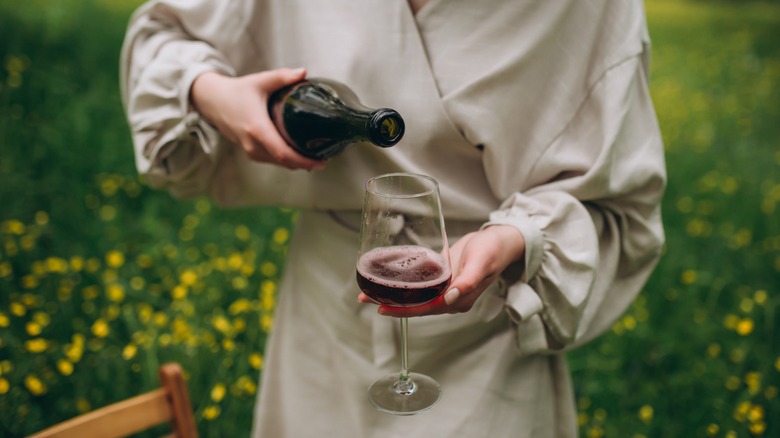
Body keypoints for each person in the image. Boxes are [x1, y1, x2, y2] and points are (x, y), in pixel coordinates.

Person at [120, 1, 666, 436]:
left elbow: (620, 205)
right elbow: (160, 35)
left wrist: (515, 238)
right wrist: (213, 94)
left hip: (486, 331)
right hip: (324, 321)